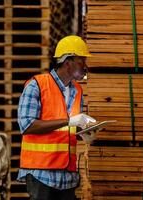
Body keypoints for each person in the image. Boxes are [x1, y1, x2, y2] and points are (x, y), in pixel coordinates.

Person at [17, 35, 97, 200]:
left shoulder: (77, 91)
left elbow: (66, 130)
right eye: (81, 61)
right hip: (41, 172)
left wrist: (84, 131)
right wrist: (69, 121)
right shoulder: (37, 85)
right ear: (68, 63)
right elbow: (26, 125)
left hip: (67, 176)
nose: (85, 66)